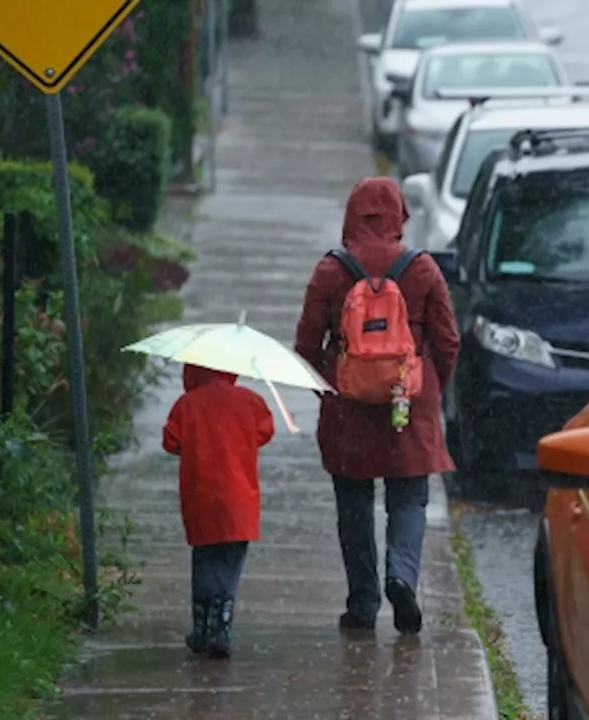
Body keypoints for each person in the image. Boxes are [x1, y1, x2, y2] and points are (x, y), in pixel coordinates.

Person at [294, 177, 461, 635]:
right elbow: (448, 342)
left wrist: (331, 390)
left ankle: (363, 604)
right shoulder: (422, 270)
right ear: (397, 216)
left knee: (354, 505)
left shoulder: (331, 272)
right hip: (406, 404)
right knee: (409, 498)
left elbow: (306, 345)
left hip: (348, 408)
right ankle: (401, 576)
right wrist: (426, 391)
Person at [163, 364, 275, 659]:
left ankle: (201, 627)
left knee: (204, 561)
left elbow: (171, 441)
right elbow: (266, 430)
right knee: (230, 562)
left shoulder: (187, 405)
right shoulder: (249, 401)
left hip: (201, 498)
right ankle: (221, 626)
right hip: (239, 499)